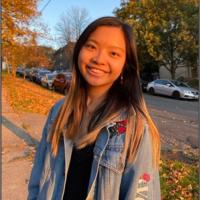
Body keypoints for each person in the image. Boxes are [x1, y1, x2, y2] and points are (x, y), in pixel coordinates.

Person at [28, 16, 161, 200]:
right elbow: (37, 179)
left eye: (113, 53)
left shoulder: (135, 128)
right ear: (79, 51)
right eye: (91, 46)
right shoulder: (58, 112)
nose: (99, 59)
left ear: (125, 66)